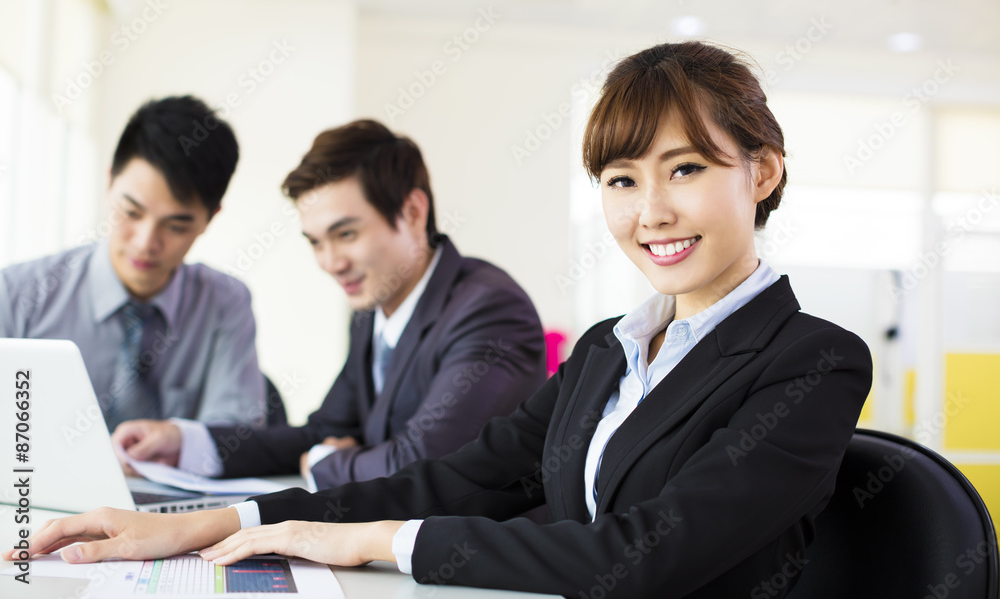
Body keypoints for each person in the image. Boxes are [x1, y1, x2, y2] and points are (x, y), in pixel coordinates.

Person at [8, 42, 873, 598]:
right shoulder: (612, 349)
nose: (650, 210)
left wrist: (372, 541)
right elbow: (456, 478)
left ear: (760, 173)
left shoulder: (815, 360)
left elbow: (644, 554)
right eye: (620, 179)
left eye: (683, 169)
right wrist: (221, 524)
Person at [109, 119, 548, 491]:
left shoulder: (489, 309)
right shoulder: (372, 315)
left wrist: (323, 463)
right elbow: (323, 432)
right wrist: (185, 442)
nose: (330, 263)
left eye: (346, 234)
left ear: (413, 212)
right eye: (316, 242)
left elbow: (423, 467)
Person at [0, 96, 266, 433]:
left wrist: (180, 440)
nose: (145, 243)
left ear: (209, 219)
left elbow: (238, 433)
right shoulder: (17, 295)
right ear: (109, 183)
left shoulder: (225, 304)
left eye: (176, 226)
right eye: (131, 212)